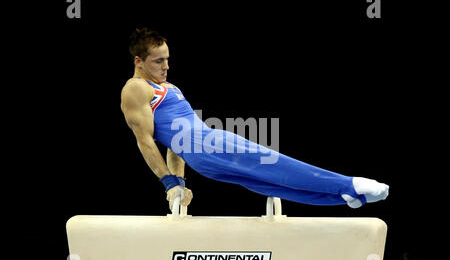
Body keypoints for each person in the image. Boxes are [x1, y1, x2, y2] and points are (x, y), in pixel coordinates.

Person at [120, 28, 389, 211]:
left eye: (168, 59)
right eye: (158, 61)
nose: (166, 66)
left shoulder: (171, 88)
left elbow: (174, 146)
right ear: (139, 61)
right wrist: (168, 183)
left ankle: (343, 197)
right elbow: (144, 141)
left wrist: (179, 183)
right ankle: (348, 183)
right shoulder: (136, 88)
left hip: (202, 155)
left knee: (266, 182)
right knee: (275, 165)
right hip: (207, 144)